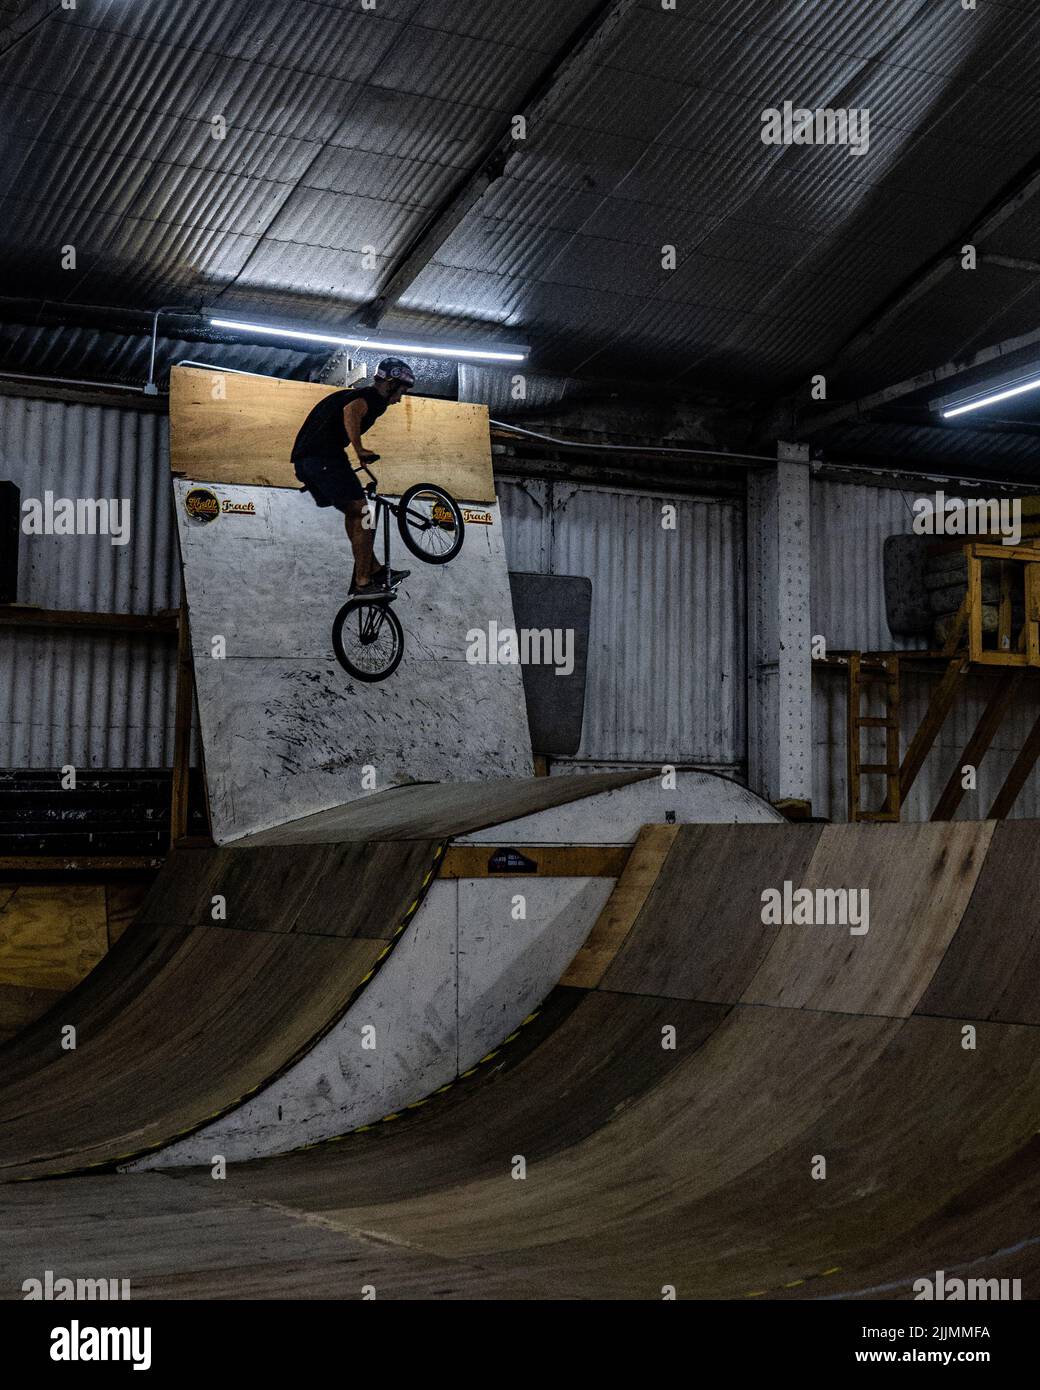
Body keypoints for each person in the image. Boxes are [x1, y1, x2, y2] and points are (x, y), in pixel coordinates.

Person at [292, 357, 415, 593]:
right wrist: (359, 449)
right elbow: (351, 412)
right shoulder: (372, 398)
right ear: (389, 384)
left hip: (312, 461)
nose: (400, 399)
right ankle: (363, 582)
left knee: (356, 512)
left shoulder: (367, 397)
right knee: (364, 514)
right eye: (401, 391)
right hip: (322, 457)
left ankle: (373, 568)